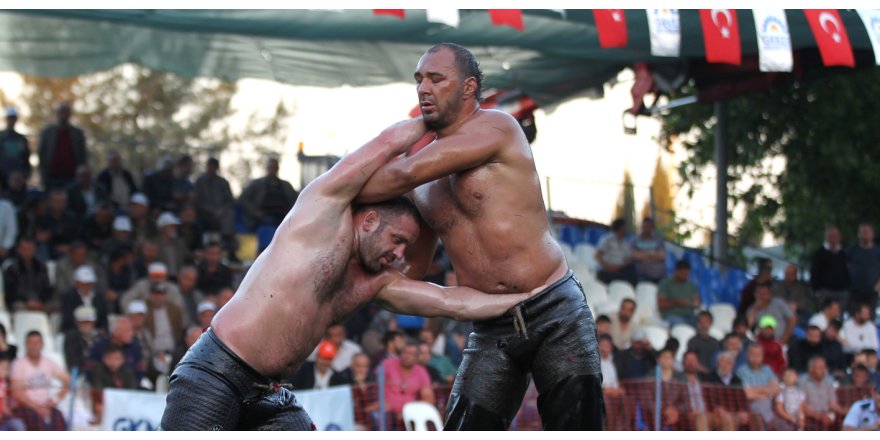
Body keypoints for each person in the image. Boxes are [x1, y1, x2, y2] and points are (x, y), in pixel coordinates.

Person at [160, 117, 539, 430]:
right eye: (397, 240)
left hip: (269, 393)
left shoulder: (375, 282)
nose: (399, 254)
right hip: (217, 373)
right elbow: (386, 143)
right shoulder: (322, 214)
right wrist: (441, 116)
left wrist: (527, 299)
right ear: (369, 220)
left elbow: (450, 301)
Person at [355, 43, 605, 431]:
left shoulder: (498, 127)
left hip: (553, 309)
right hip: (491, 324)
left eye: (436, 79)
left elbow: (402, 173)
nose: (424, 88)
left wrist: (332, 191)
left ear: (469, 87)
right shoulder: (421, 182)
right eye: (419, 80)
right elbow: (413, 270)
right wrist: (361, 280)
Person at [10, 331, 70, 430]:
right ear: (26, 345)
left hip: (46, 406)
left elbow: (68, 381)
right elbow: (17, 393)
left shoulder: (48, 363)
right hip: (26, 407)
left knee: (60, 421)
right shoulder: (18, 364)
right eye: (30, 343)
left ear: (42, 344)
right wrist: (37, 408)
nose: (34, 346)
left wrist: (55, 399)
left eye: (37, 343)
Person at [193, 157, 237, 261]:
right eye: (209, 166)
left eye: (213, 166)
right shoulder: (200, 181)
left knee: (230, 215)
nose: (211, 169)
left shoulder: (223, 182)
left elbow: (230, 201)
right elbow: (197, 201)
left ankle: (228, 247)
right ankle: (201, 251)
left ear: (217, 168)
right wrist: (211, 210)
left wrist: (222, 210)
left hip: (221, 214)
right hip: (204, 214)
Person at [736, 344, 787, 430]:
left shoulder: (767, 369)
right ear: (747, 355)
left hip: (770, 407)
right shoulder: (742, 371)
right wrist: (766, 392)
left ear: (762, 356)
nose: (756, 358)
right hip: (750, 407)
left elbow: (776, 388)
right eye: (753, 354)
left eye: (758, 355)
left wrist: (756, 390)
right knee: (759, 410)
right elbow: (747, 394)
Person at [240, 156, 299, 229]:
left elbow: (296, 200)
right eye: (270, 167)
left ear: (277, 168)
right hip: (262, 216)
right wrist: (255, 211)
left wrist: (291, 213)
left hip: (283, 215)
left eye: (274, 167)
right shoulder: (257, 184)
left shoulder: (286, 185)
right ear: (266, 168)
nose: (272, 170)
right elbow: (244, 198)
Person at [38, 101, 87, 190]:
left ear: (69, 114)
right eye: (61, 112)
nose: (63, 115)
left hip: (72, 177)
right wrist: (42, 174)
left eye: (65, 112)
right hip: (51, 176)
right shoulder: (47, 132)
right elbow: (41, 153)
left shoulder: (77, 133)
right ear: (56, 113)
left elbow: (83, 155)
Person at [380, 342, 435, 416]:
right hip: (386, 412)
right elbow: (373, 384)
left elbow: (428, 397)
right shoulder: (387, 364)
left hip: (410, 414)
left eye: (411, 354)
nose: (407, 356)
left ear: (416, 357)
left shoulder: (421, 371)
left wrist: (417, 412)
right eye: (404, 352)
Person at [3, 236, 52, 312]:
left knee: (52, 306)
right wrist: (27, 301)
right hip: (20, 301)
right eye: (24, 249)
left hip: (39, 301)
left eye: (29, 249)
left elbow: (46, 288)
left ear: (34, 250)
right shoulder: (12, 269)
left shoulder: (41, 267)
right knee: (19, 306)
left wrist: (39, 301)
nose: (27, 252)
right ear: (19, 250)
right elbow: (11, 292)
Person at [811, 225, 851, 313]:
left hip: (842, 292)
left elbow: (847, 271)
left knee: (839, 318)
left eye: (836, 236)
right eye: (831, 236)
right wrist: (817, 291)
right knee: (824, 316)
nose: (834, 238)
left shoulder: (844, 253)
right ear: (826, 236)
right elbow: (814, 273)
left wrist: (847, 288)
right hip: (825, 292)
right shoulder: (819, 253)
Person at [800, 356, 846, 429]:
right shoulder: (803, 382)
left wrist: (843, 411)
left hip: (828, 414)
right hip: (811, 416)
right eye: (820, 368)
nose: (823, 370)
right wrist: (820, 417)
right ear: (811, 369)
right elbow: (803, 407)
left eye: (824, 368)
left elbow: (833, 404)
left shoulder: (828, 381)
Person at [60, 265, 110, 333]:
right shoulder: (69, 297)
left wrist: (100, 329)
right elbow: (68, 318)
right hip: (73, 332)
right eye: (84, 284)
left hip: (95, 332)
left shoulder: (99, 297)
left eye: (89, 283)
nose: (87, 286)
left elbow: (103, 318)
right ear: (77, 283)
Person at [846, 223, 880, 316]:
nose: (864, 234)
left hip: (872, 293)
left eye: (866, 232)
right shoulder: (851, 250)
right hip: (854, 293)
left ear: (873, 234)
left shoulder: (878, 251)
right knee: (854, 319)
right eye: (862, 232)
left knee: (870, 320)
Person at [595, 218, 638, 286]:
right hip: (607, 270)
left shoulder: (624, 242)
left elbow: (627, 258)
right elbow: (598, 256)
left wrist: (621, 265)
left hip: (620, 270)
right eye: (625, 227)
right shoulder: (607, 239)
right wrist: (608, 267)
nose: (626, 230)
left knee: (632, 269)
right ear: (621, 228)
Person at [657, 260, 700, 327]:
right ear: (676, 271)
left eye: (687, 274)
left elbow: (697, 302)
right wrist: (678, 302)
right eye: (683, 274)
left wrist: (694, 303)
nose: (685, 276)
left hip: (690, 316)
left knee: (702, 323)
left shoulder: (691, 285)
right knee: (682, 326)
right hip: (673, 316)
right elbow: (661, 304)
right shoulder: (665, 283)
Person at [0, 106, 31, 192]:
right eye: (10, 118)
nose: (11, 121)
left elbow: (26, 158)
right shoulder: (1, 137)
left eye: (13, 118)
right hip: (2, 179)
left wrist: (24, 175)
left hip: (18, 180)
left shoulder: (21, 139)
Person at [630, 217, 666, 283]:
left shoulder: (658, 240)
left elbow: (661, 256)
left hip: (658, 276)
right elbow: (634, 256)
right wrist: (652, 254)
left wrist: (643, 255)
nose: (646, 228)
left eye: (648, 227)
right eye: (645, 226)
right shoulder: (635, 240)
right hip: (641, 275)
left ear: (652, 227)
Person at [0, 357, 27, 431]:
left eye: (7, 369)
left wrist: (9, 413)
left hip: (3, 419)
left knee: (18, 424)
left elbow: (4, 405)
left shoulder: (3, 383)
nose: (6, 372)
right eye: (4, 368)